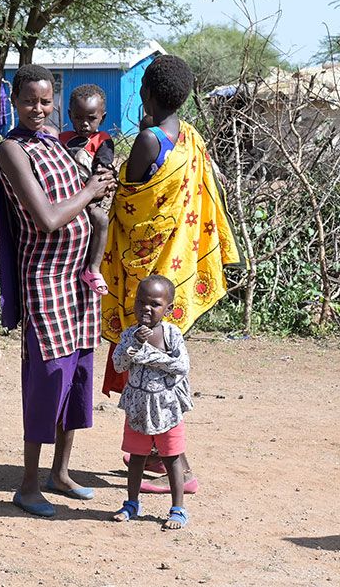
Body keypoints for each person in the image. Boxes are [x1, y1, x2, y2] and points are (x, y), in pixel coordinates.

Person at [100, 55, 240, 495]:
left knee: (149, 372)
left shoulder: (147, 140)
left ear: (146, 92)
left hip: (145, 276)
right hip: (174, 273)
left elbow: (128, 201)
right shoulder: (190, 136)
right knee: (159, 368)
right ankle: (156, 454)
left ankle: (172, 464)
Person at [0, 64, 115, 517]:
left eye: (45, 102)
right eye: (29, 101)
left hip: (81, 281)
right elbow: (45, 217)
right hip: (45, 279)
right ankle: (27, 485)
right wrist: (91, 192)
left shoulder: (55, 143)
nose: (38, 109)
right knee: (47, 382)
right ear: (15, 102)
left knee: (77, 378)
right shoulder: (12, 149)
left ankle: (60, 472)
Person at [110, 275, 193, 530]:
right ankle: (131, 503)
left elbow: (181, 366)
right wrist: (134, 344)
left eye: (155, 304)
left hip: (166, 407)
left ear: (168, 309)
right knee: (136, 457)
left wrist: (148, 355)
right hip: (138, 407)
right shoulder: (129, 335)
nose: (146, 308)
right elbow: (118, 364)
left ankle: (178, 509)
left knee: (171, 458)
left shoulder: (172, 334)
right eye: (141, 302)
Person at [59, 84, 115, 296]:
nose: (84, 123)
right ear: (69, 115)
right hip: (64, 197)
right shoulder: (61, 139)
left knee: (101, 219)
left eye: (91, 118)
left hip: (90, 199)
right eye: (78, 117)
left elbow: (102, 169)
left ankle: (93, 268)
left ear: (102, 117)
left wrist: (102, 179)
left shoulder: (103, 141)